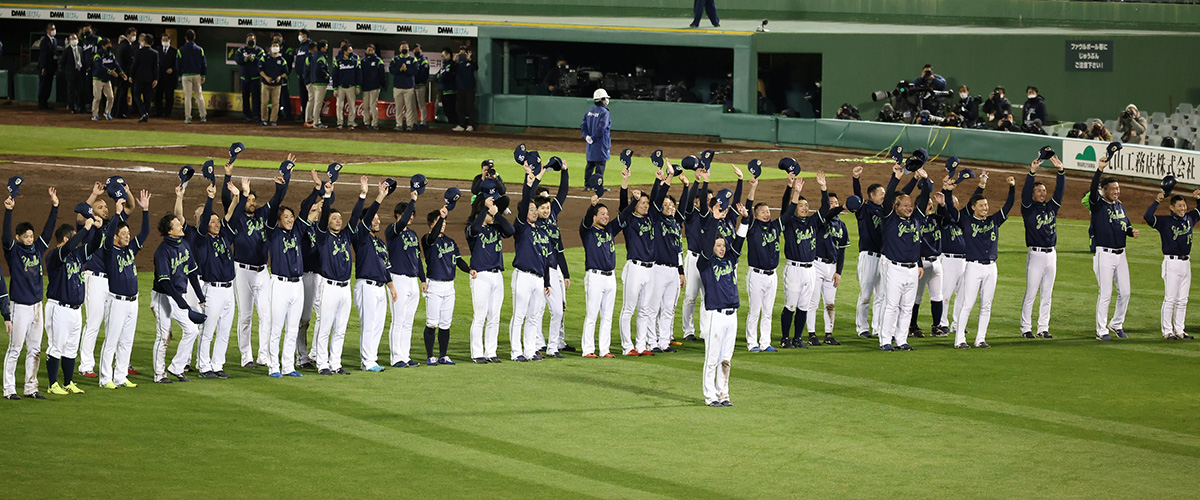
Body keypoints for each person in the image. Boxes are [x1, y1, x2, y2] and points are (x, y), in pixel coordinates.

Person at [222, 163, 285, 369]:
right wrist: (230, 178)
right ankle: (246, 356)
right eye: (248, 200)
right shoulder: (237, 218)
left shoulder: (261, 215)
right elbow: (226, 200)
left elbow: (276, 202)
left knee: (266, 315)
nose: (251, 203)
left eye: (253, 200)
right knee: (246, 316)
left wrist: (283, 183)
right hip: (242, 271)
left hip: (262, 271)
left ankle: (263, 355)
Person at [945, 171, 1015, 349]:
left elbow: (1008, 205)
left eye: (986, 205)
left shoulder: (994, 220)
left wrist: (1012, 187)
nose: (985, 208)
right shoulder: (966, 221)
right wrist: (947, 193)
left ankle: (980, 339)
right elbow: (951, 210)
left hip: (991, 267)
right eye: (981, 205)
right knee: (967, 303)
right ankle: (959, 339)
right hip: (973, 267)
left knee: (986, 305)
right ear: (973, 207)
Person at [2, 188, 58, 400]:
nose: (30, 239)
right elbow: (5, 236)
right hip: (20, 307)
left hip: (36, 306)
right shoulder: (13, 251)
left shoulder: (36, 249)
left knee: (35, 348)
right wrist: (8, 211)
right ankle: (9, 389)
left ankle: (31, 387)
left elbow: (49, 231)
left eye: (31, 236)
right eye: (26, 236)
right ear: (18, 237)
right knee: (15, 348)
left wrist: (55, 206)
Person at [265, 172, 322, 377]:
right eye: (285, 217)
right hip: (279, 284)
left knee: (291, 328)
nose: (289, 219)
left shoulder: (298, 230)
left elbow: (306, 207)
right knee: (277, 327)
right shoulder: (272, 231)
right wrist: (280, 189)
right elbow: (272, 213)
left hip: (297, 285)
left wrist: (316, 189)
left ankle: (288, 366)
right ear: (279, 220)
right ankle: (273, 367)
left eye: (291, 216)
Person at [78, 182, 134, 379]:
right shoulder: (89, 225)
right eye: (100, 207)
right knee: (93, 321)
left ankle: (121, 364)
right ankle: (86, 365)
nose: (105, 209)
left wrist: (126, 191)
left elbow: (130, 207)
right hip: (94, 279)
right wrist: (93, 195)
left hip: (112, 281)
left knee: (114, 323)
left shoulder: (112, 226)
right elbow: (80, 215)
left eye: (106, 206)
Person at [183, 180, 237, 379]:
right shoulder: (201, 239)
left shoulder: (224, 236)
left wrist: (238, 196)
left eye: (217, 221)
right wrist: (210, 198)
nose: (215, 224)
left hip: (229, 290)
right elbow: (204, 220)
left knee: (224, 330)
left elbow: (234, 215)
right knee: (209, 329)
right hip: (212, 289)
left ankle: (217, 364)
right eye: (211, 221)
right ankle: (204, 366)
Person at [877, 165, 934, 351]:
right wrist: (896, 177)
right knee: (891, 305)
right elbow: (887, 199)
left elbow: (925, 197)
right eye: (905, 206)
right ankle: (885, 340)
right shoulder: (889, 217)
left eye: (911, 205)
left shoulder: (917, 218)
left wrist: (925, 180)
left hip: (912, 270)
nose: (909, 208)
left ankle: (901, 340)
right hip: (894, 268)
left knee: (907, 307)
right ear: (896, 207)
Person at [97, 190, 151, 390]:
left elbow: (144, 233)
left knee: (127, 341)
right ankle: (105, 378)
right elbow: (109, 233)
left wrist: (145, 210)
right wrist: (118, 215)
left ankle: (120, 376)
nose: (128, 236)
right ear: (116, 237)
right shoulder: (109, 251)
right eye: (124, 234)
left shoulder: (130, 249)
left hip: (133, 302)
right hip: (117, 301)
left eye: (129, 233)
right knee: (111, 340)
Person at [44, 212, 99, 396]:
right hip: (58, 308)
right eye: (74, 237)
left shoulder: (77, 256)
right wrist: (86, 228)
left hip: (76, 310)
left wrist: (97, 229)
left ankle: (68, 382)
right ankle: (53, 384)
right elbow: (69, 247)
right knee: (56, 346)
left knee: (70, 349)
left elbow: (94, 245)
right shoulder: (55, 256)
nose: (77, 241)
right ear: (66, 239)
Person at [150, 208, 207, 384]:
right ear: (169, 231)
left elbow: (192, 272)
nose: (181, 225)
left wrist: (200, 296)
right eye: (177, 224)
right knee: (164, 335)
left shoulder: (184, 245)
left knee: (192, 330)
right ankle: (159, 374)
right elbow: (165, 281)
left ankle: (177, 367)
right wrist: (181, 301)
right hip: (163, 297)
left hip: (177, 296)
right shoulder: (162, 252)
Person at [698, 199, 745, 408]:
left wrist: (745, 219)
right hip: (715, 316)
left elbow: (741, 239)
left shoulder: (730, 260)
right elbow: (708, 245)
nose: (722, 248)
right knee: (712, 358)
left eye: (723, 245)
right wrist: (715, 222)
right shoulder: (705, 263)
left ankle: (723, 395)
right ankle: (710, 397)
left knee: (726, 358)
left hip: (731, 316)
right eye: (718, 245)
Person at [348, 177, 397, 371]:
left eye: (378, 219)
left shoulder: (380, 242)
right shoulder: (360, 237)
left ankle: (372, 359)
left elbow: (385, 266)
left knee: (378, 325)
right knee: (368, 324)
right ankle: (366, 361)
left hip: (380, 287)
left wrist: (391, 286)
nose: (377, 221)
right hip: (365, 285)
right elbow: (367, 218)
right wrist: (380, 197)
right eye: (374, 219)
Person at [780, 173, 834, 349]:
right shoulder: (788, 222)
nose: (804, 208)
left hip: (810, 269)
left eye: (806, 205)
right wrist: (791, 188)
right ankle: (785, 338)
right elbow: (784, 206)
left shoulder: (812, 221)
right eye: (801, 205)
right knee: (791, 305)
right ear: (795, 208)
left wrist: (823, 187)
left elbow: (826, 207)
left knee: (804, 306)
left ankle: (797, 338)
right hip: (794, 269)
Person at [1088, 156, 1139, 341]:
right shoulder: (1097, 204)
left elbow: (1125, 225)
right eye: (1113, 189)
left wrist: (1130, 231)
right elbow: (1093, 189)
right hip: (1105, 254)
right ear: (1104, 191)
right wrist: (1099, 170)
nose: (1116, 191)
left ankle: (1116, 324)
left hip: (1121, 255)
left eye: (1118, 188)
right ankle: (1101, 330)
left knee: (1125, 292)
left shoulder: (1120, 206)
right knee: (1106, 293)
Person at [740, 173, 790, 352]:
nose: (767, 213)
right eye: (763, 211)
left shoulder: (776, 226)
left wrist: (794, 189)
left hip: (772, 275)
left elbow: (789, 211)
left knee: (768, 312)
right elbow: (747, 207)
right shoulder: (752, 227)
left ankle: (765, 342)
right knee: (755, 311)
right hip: (756, 275)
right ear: (756, 214)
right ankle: (752, 343)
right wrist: (753, 187)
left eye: (768, 211)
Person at [527, 164, 573, 357]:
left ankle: (553, 347)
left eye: (548, 207)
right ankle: (535, 345)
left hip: (553, 270)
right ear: (535, 209)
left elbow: (563, 191)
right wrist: (532, 178)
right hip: (537, 270)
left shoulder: (553, 217)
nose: (546, 210)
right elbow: (525, 201)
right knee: (535, 311)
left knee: (558, 310)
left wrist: (564, 170)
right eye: (543, 207)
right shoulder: (533, 223)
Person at [1019, 155, 1066, 339]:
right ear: (1033, 194)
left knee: (1047, 293)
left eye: (1044, 191)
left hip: (1051, 255)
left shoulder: (1051, 208)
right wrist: (1032, 172)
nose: (1042, 193)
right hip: (1036, 256)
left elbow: (1060, 191)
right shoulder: (1028, 208)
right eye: (1038, 191)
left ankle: (1043, 327)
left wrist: (1061, 171)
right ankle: (1026, 328)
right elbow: (1024, 193)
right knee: (1031, 292)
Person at [509, 176, 554, 362]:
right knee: (519, 315)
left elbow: (544, 258)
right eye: (531, 209)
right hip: (523, 276)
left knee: (534, 317)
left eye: (536, 209)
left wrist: (547, 281)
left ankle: (529, 351)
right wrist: (531, 183)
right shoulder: (520, 227)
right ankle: (516, 352)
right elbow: (526, 199)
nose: (535, 212)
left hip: (538, 278)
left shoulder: (542, 231)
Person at [1145, 189, 1200, 340]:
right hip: (1172, 263)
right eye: (1180, 206)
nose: (1183, 209)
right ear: (1172, 208)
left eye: (1184, 206)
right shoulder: (1164, 222)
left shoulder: (1190, 218)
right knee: (1170, 298)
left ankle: (1180, 330)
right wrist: (1157, 201)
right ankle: (1167, 331)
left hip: (1186, 263)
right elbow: (1148, 217)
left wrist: (1198, 198)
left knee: (1183, 299)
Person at [311, 182, 354, 375]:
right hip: (329, 287)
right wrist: (327, 197)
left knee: (341, 328)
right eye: (334, 218)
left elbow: (362, 215)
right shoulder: (322, 236)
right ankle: (322, 363)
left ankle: (335, 363)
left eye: (339, 218)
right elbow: (322, 220)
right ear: (327, 221)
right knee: (326, 327)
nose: (338, 220)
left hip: (346, 288)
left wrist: (364, 197)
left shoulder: (345, 235)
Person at [579, 190, 628, 358]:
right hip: (595, 277)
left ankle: (605, 349)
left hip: (610, 277)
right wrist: (591, 206)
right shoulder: (587, 231)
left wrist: (634, 200)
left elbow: (625, 215)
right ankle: (588, 349)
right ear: (594, 216)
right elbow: (585, 221)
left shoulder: (610, 230)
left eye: (607, 214)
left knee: (607, 316)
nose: (606, 217)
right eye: (602, 214)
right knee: (592, 314)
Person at [466, 194, 513, 363]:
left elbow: (510, 230)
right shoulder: (472, 229)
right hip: (481, 276)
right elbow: (476, 229)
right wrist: (485, 208)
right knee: (480, 315)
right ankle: (477, 353)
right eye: (490, 214)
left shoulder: (496, 227)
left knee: (495, 316)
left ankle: (490, 352)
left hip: (497, 275)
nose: (493, 217)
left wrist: (497, 214)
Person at [421, 204, 469, 366]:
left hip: (449, 286)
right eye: (440, 222)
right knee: (432, 322)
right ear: (431, 224)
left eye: (444, 222)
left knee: (445, 323)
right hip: (434, 285)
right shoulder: (427, 240)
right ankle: (430, 355)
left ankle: (443, 355)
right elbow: (433, 237)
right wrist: (441, 216)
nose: (443, 224)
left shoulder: (450, 241)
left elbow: (458, 260)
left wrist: (470, 270)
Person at [617, 167, 657, 356]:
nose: (645, 205)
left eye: (647, 203)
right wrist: (625, 183)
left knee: (644, 310)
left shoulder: (650, 218)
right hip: (634, 267)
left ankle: (641, 345)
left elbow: (657, 199)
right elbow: (622, 205)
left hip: (650, 270)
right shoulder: (629, 220)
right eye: (642, 202)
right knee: (629, 309)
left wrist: (660, 179)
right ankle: (627, 347)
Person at [387, 189, 429, 367]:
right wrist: (412, 201)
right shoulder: (392, 231)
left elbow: (417, 258)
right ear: (398, 215)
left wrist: (423, 279)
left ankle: (405, 355)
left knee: (408, 321)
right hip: (398, 280)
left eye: (412, 215)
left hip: (412, 281)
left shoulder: (413, 234)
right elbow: (402, 222)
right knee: (398, 320)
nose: (410, 217)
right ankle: (396, 357)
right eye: (407, 214)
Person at [647, 168, 686, 353]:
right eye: (666, 204)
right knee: (653, 308)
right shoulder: (655, 220)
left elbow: (678, 250)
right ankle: (651, 342)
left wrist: (687, 186)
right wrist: (667, 179)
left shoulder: (675, 224)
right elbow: (657, 198)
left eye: (672, 205)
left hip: (672, 271)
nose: (670, 207)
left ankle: (664, 342)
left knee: (669, 309)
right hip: (658, 269)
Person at [805, 188, 848, 344]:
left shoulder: (842, 226)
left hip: (832, 267)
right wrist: (840, 207)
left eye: (836, 203)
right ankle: (811, 334)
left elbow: (842, 251)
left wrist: (839, 272)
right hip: (816, 264)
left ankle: (828, 334)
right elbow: (828, 214)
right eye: (831, 203)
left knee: (830, 303)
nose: (834, 205)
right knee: (813, 301)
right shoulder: (821, 220)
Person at [850, 165, 886, 338]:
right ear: (872, 196)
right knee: (866, 295)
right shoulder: (864, 210)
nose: (884, 196)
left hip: (884, 258)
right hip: (868, 256)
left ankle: (878, 328)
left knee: (881, 295)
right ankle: (862, 327)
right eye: (881, 194)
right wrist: (855, 179)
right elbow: (857, 196)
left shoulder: (885, 210)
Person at [581, 90, 612, 184]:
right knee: (600, 166)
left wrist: (587, 137)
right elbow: (602, 127)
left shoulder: (589, 111)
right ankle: (598, 185)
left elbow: (583, 126)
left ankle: (587, 184)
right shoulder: (604, 112)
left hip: (591, 144)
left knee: (590, 165)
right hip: (601, 143)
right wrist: (593, 138)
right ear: (602, 99)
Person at [90, 38, 124, 121]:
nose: (110, 47)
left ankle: (107, 112)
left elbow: (116, 64)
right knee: (97, 97)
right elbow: (99, 66)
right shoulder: (98, 55)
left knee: (111, 97)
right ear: (103, 46)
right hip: (98, 78)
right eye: (108, 45)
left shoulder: (111, 54)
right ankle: (95, 114)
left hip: (107, 79)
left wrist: (121, 73)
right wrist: (109, 72)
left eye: (110, 45)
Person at [128, 34, 159, 123]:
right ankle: (146, 113)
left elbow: (134, 65)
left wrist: (131, 75)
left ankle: (143, 112)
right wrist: (156, 78)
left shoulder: (138, 52)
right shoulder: (155, 53)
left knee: (137, 95)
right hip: (149, 78)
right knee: (148, 97)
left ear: (144, 42)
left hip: (139, 77)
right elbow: (156, 67)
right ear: (152, 43)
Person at [235, 32, 264, 123]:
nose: (251, 41)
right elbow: (238, 60)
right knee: (245, 98)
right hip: (244, 78)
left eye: (252, 39)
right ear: (246, 41)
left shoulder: (259, 50)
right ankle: (246, 115)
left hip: (255, 79)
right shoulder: (241, 50)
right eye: (249, 40)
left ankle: (256, 116)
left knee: (256, 99)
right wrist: (245, 58)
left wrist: (252, 58)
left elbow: (261, 61)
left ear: (255, 40)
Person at [258, 40, 289, 126]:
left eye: (277, 46)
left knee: (276, 103)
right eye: (273, 46)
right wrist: (266, 77)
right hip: (265, 83)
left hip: (277, 85)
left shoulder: (282, 60)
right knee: (264, 102)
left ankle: (273, 120)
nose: (275, 47)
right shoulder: (264, 58)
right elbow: (260, 70)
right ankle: (264, 119)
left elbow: (286, 72)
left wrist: (280, 77)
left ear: (279, 48)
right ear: (270, 48)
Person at [179, 30, 207, 124]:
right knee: (199, 95)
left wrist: (179, 74)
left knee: (187, 97)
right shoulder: (200, 49)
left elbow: (178, 65)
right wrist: (203, 75)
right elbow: (204, 64)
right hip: (197, 75)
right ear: (194, 38)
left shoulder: (181, 50)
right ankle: (203, 116)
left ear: (185, 38)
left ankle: (188, 117)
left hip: (186, 75)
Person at [390, 41, 419, 131]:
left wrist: (406, 69)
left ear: (408, 49)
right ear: (399, 49)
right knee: (398, 107)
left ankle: (409, 125)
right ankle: (399, 125)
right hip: (398, 87)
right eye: (402, 47)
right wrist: (400, 69)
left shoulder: (412, 59)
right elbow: (392, 71)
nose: (404, 49)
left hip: (409, 87)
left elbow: (415, 72)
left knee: (409, 108)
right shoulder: (395, 59)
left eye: (406, 47)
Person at [332, 42, 360, 130]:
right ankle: (340, 123)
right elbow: (335, 74)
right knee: (339, 106)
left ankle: (351, 123)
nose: (351, 51)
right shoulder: (338, 59)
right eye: (349, 50)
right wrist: (335, 88)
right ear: (344, 51)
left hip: (351, 87)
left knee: (352, 105)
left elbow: (358, 74)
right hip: (340, 87)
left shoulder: (355, 60)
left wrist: (358, 86)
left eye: (351, 49)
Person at [359, 44, 385, 131]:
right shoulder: (363, 61)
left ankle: (374, 123)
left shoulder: (378, 61)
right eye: (368, 50)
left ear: (374, 51)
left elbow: (382, 74)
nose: (370, 51)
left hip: (375, 86)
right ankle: (366, 123)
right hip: (366, 87)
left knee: (373, 105)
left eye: (371, 50)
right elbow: (360, 75)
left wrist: (382, 84)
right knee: (365, 106)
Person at [153, 33, 179, 118]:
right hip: (159, 77)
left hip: (170, 78)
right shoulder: (157, 50)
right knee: (158, 96)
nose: (164, 41)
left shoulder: (174, 51)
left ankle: (167, 112)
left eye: (166, 40)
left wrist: (172, 69)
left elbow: (177, 64)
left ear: (169, 40)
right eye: (163, 40)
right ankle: (158, 112)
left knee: (169, 96)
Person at [114, 27, 137, 119]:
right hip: (124, 73)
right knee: (122, 93)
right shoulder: (126, 46)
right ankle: (120, 112)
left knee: (120, 92)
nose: (134, 37)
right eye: (133, 35)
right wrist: (128, 74)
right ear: (128, 35)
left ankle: (118, 111)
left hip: (121, 72)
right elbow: (128, 62)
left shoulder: (122, 45)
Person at [59, 32, 85, 114]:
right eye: (73, 39)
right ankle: (72, 107)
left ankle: (81, 107)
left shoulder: (80, 49)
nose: (75, 40)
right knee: (71, 92)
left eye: (76, 39)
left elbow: (82, 60)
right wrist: (67, 71)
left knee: (80, 91)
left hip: (79, 73)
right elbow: (62, 62)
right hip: (71, 74)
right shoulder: (67, 50)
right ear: (70, 40)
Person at [452, 46, 477, 131]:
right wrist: (454, 60)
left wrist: (470, 59)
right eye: (461, 53)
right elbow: (451, 69)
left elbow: (476, 67)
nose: (462, 55)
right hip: (460, 88)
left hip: (469, 88)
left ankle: (471, 125)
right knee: (459, 107)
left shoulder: (470, 63)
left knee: (470, 107)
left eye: (464, 53)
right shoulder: (457, 64)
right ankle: (461, 125)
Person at [307, 40, 330, 128]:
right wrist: (326, 75)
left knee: (316, 103)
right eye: (325, 47)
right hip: (320, 82)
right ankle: (316, 122)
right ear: (322, 48)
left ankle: (315, 120)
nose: (326, 49)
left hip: (315, 82)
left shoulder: (315, 55)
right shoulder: (320, 56)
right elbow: (319, 70)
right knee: (318, 103)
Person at [77, 25, 101, 110]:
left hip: (96, 68)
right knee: (88, 88)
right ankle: (89, 105)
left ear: (91, 30)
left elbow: (104, 49)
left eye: (88, 29)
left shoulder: (97, 39)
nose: (86, 31)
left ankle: (96, 106)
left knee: (96, 88)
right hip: (86, 68)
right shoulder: (83, 40)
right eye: (85, 30)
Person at [37, 23, 58, 110]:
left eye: (54, 29)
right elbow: (43, 56)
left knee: (48, 86)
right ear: (47, 30)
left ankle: (45, 103)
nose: (53, 31)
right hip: (45, 68)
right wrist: (43, 68)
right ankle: (41, 104)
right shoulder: (44, 41)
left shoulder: (55, 40)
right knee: (43, 86)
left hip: (51, 67)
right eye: (52, 29)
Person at [292, 30, 311, 123]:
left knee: (309, 98)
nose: (299, 36)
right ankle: (304, 116)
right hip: (300, 76)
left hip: (308, 76)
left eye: (300, 35)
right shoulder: (301, 46)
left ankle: (309, 117)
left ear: (305, 35)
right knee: (303, 97)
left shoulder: (310, 45)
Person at [411, 44, 431, 129]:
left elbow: (424, 74)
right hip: (413, 86)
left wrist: (416, 78)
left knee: (421, 105)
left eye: (418, 49)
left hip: (420, 85)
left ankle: (423, 122)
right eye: (415, 49)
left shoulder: (424, 60)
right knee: (413, 106)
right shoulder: (413, 60)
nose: (417, 51)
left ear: (421, 50)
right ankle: (414, 122)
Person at [437, 48, 458, 126]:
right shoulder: (444, 66)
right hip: (443, 91)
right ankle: (451, 124)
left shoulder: (452, 65)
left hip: (450, 91)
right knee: (446, 110)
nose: (442, 57)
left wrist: (441, 78)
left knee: (450, 109)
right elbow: (437, 76)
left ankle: (455, 124)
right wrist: (440, 78)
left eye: (444, 55)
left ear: (448, 55)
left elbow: (447, 77)